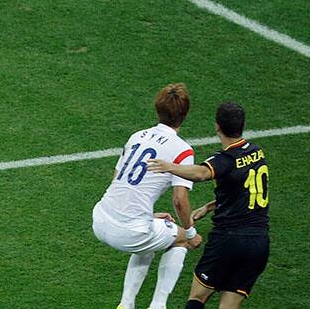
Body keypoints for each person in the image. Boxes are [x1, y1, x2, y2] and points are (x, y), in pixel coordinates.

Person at [147, 102, 269, 308]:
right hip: (259, 243)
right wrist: (209, 207)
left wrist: (169, 166)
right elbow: (248, 192)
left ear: (217, 127)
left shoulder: (225, 159)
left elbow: (200, 173)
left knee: (197, 298)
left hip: (228, 240)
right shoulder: (257, 152)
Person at [93, 83, 203, 309]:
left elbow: (117, 181)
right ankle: (158, 305)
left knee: (153, 233)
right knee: (180, 238)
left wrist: (148, 215)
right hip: (129, 231)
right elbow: (179, 201)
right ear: (185, 114)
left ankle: (126, 304)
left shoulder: (136, 136)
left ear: (158, 109)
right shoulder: (183, 150)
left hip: (100, 218)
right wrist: (191, 233)